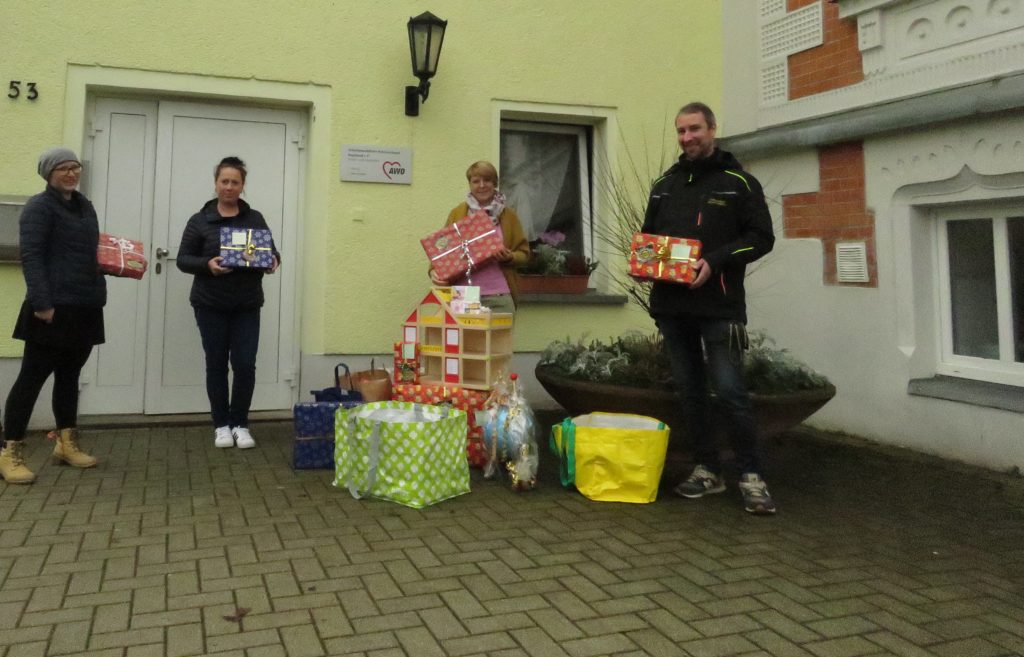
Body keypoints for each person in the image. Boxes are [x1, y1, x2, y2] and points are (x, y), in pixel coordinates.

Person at [641, 102, 777, 514]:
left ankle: (751, 475)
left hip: (720, 308)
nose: (687, 138)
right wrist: (644, 264)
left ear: (713, 129)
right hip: (672, 307)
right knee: (691, 392)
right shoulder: (664, 184)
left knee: (732, 393)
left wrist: (715, 260)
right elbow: (649, 240)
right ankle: (707, 470)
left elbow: (762, 238)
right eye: (681, 131)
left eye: (694, 129)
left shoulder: (740, 182)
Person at [0, 148, 105, 484]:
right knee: (30, 380)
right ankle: (10, 451)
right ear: (48, 173)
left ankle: (66, 444)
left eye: (75, 167)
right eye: (63, 168)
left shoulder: (84, 205)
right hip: (51, 308)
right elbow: (32, 256)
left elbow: (87, 252)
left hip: (84, 305)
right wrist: (42, 303)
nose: (71, 173)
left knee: (70, 377)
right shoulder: (39, 207)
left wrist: (116, 264)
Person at [177, 156, 280, 450]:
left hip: (247, 304)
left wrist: (273, 260)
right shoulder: (199, 220)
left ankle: (240, 424)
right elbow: (183, 259)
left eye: (235, 182)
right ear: (216, 184)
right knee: (217, 364)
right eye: (225, 181)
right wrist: (207, 264)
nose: (229, 187)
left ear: (242, 186)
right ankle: (221, 425)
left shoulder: (255, 218)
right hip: (210, 304)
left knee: (245, 365)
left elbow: (271, 252)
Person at [430, 161, 529, 314]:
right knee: (466, 339)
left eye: (487, 180)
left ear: (494, 183)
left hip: (499, 296)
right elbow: (442, 250)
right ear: (470, 184)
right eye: (476, 181)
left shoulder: (509, 216)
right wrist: (433, 271)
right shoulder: (457, 213)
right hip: (463, 295)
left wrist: (509, 257)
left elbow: (524, 255)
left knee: (499, 339)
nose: (482, 185)